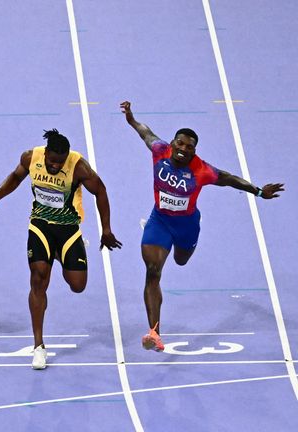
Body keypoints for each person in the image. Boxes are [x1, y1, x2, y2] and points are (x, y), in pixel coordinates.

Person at [120, 100, 284, 352]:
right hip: (159, 221)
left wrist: (259, 191)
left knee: (181, 260)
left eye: (190, 147)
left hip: (187, 227)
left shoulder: (202, 170)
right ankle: (154, 332)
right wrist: (131, 119)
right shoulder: (160, 150)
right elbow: (145, 132)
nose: (183, 149)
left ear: (194, 151)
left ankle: (181, 247)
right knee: (153, 271)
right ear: (172, 143)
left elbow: (229, 179)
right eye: (180, 143)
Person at [0, 129, 122, 370]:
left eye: (60, 162)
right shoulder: (31, 157)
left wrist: (106, 229)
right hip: (40, 226)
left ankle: (60, 254)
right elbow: (15, 177)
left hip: (68, 230)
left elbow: (100, 191)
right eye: (52, 161)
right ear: (45, 153)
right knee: (38, 280)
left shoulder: (79, 167)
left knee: (78, 285)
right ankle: (39, 346)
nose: (56, 166)